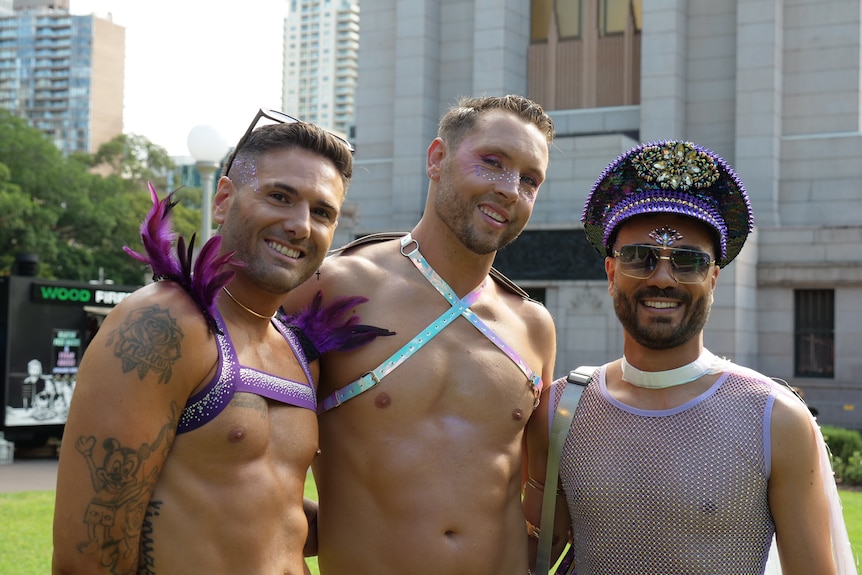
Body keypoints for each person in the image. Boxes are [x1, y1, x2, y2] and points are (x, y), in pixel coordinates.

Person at [52, 111, 381, 575]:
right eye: (280, 196)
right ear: (223, 200)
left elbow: (257, 505)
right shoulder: (163, 323)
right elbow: (86, 558)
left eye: (322, 212)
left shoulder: (298, 351)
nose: (300, 225)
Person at [524, 140, 857, 574]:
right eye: (639, 258)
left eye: (688, 261)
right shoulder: (560, 410)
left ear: (713, 279)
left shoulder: (774, 418)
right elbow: (530, 558)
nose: (663, 278)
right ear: (611, 274)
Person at [281, 94, 558, 574]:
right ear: (437, 159)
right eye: (492, 163)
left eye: (530, 180)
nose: (511, 189)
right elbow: (248, 459)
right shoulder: (333, 286)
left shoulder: (533, 326)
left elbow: (541, 489)